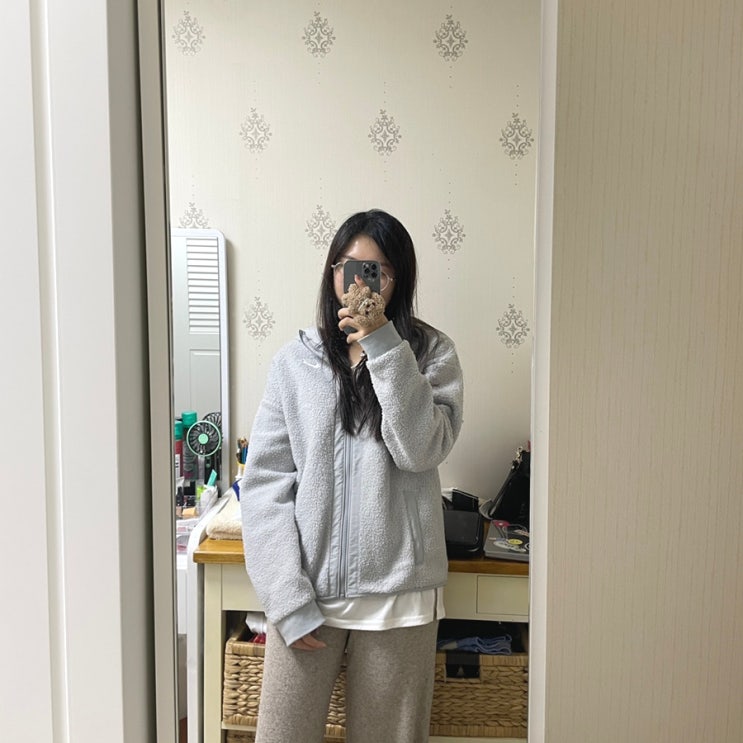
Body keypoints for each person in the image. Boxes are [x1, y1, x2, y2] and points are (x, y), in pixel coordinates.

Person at [239, 208, 464, 743]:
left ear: (398, 280)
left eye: (377, 271)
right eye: (350, 266)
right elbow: (265, 486)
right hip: (307, 594)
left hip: (400, 600)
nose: (361, 282)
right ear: (332, 271)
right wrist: (285, 596)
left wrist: (384, 345)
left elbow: (421, 450)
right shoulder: (295, 363)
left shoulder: (431, 354)